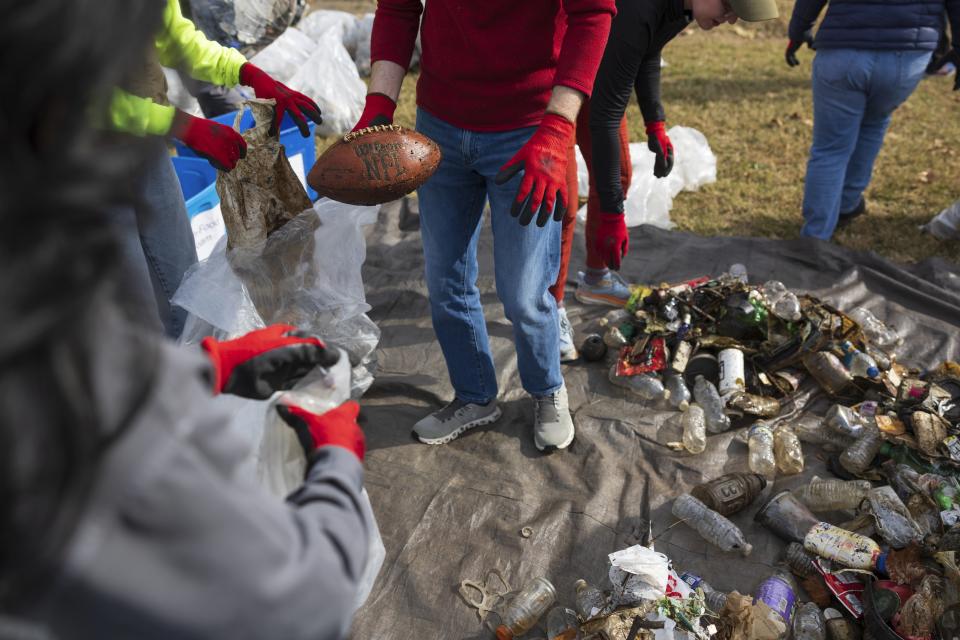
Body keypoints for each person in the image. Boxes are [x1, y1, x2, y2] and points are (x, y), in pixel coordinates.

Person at [0, 2, 371, 638]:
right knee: (140, 305)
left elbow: (177, 38)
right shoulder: (56, 379)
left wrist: (200, 367)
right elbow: (303, 603)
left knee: (178, 290)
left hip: (139, 152)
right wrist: (337, 465)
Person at [352, 0, 618, 452]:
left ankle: (547, 389)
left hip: (529, 128)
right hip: (441, 121)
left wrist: (557, 127)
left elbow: (592, 13)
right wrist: (379, 106)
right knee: (445, 279)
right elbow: (398, 8)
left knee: (523, 291)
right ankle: (475, 396)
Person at [551, 0, 780, 361]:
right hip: (557, 84)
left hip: (600, 77)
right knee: (559, 202)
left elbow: (647, 54)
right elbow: (606, 118)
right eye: (728, 6)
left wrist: (655, 121)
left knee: (620, 174)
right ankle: (552, 306)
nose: (730, 18)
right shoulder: (639, 7)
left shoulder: (680, 8)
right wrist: (612, 215)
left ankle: (595, 280)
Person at [109, 0, 322, 338]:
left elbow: (176, 39)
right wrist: (183, 126)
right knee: (128, 312)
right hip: (77, 168)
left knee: (184, 291)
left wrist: (247, 73)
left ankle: (189, 380)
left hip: (145, 148)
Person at [787, 0, 960, 240]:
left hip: (841, 51)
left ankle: (815, 235)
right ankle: (848, 203)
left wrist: (798, 31)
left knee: (830, 149)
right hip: (907, 57)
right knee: (874, 122)